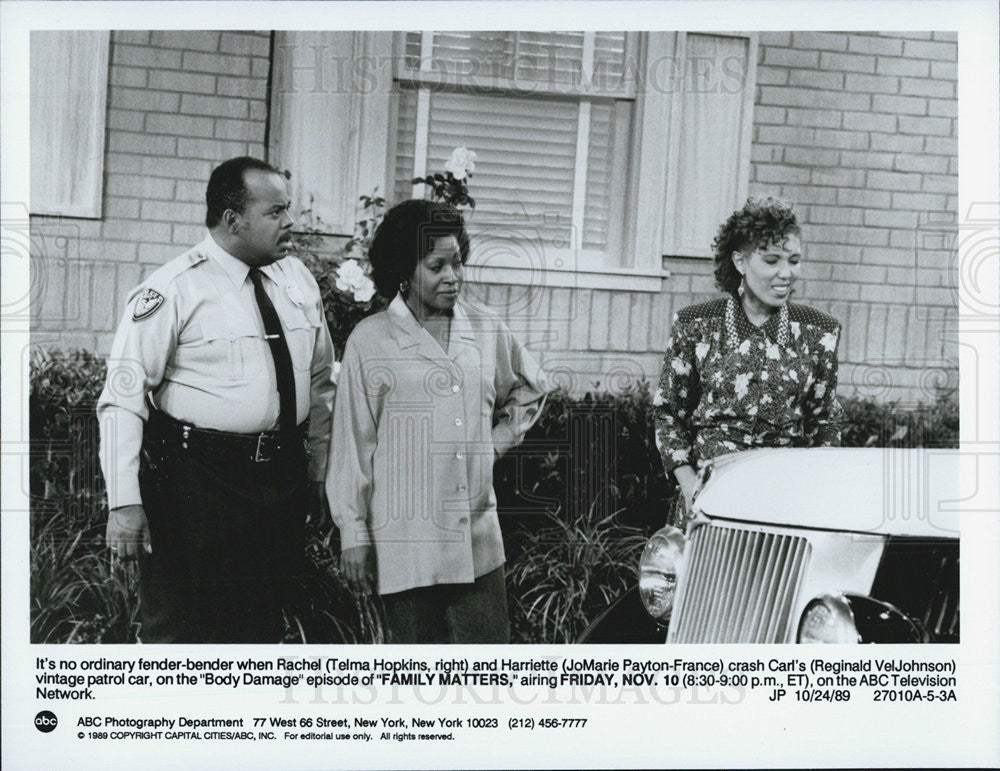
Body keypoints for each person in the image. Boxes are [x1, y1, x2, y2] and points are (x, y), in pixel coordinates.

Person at [97, 156, 336, 643]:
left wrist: (318, 470)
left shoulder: (298, 281)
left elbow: (320, 380)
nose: (289, 222)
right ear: (233, 220)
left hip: (279, 482)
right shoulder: (172, 289)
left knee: (259, 631)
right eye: (275, 212)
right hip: (197, 483)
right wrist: (124, 502)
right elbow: (123, 398)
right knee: (183, 633)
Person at [327, 199, 547, 643]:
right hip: (405, 545)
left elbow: (531, 387)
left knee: (483, 683)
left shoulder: (486, 328)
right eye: (437, 266)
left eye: (458, 263)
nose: (453, 277)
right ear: (404, 272)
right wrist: (353, 531)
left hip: (478, 547)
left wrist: (493, 443)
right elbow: (352, 444)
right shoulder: (370, 341)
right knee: (418, 690)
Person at [653, 196, 843, 516]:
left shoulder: (819, 332)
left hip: (785, 501)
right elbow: (668, 413)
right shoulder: (695, 325)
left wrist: (814, 494)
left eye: (794, 260)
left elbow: (824, 422)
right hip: (708, 496)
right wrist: (688, 485)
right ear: (740, 262)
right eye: (771, 261)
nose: (786, 273)